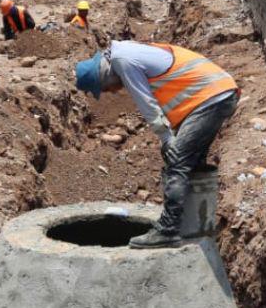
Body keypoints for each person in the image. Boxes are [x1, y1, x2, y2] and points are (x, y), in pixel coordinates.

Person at [74, 41, 239, 248]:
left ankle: (168, 230)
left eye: (106, 88)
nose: (113, 91)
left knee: (178, 161)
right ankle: (196, 229)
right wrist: (170, 136)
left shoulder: (122, 61)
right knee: (192, 162)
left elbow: (147, 104)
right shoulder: (125, 50)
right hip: (215, 93)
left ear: (104, 77)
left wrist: (167, 138)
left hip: (210, 97)